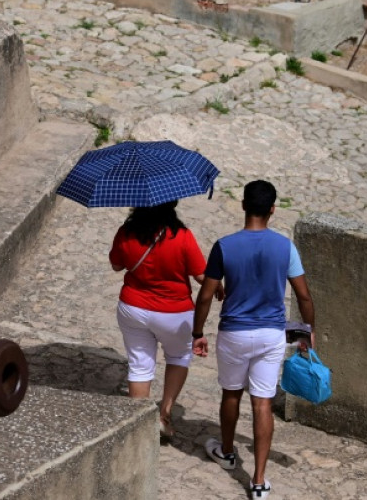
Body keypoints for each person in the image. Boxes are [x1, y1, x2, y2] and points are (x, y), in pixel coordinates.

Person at [192, 180, 315, 500]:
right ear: (273, 209)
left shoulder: (224, 245)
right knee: (262, 403)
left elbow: (205, 296)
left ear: (243, 205)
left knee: (231, 394)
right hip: (271, 335)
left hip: (234, 333)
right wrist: (306, 332)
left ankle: (228, 452)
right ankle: (259, 481)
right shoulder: (285, 247)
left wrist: (197, 332)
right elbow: (304, 296)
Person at [109, 200, 217, 437]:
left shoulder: (126, 232)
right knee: (178, 357)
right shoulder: (182, 236)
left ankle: (136, 427)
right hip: (174, 313)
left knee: (139, 366)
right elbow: (201, 275)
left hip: (133, 308)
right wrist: (220, 287)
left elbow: (117, 265)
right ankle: (164, 415)